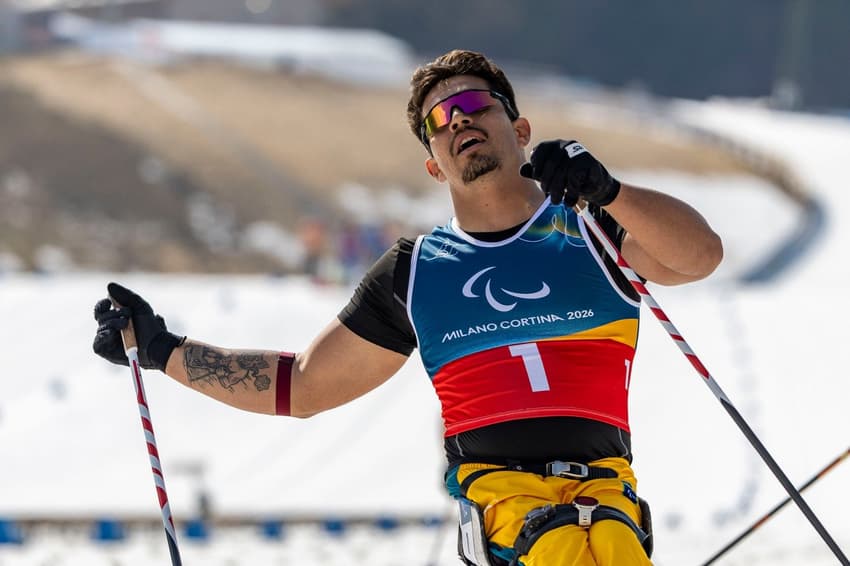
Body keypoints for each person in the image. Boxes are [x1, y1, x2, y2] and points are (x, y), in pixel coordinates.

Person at [93, 49, 723, 565]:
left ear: (520, 129)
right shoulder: (416, 272)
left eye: (475, 105)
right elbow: (303, 385)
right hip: (508, 511)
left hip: (606, 495)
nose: (458, 121)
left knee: (600, 542)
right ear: (432, 163)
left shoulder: (589, 227)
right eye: (439, 119)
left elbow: (698, 257)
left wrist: (608, 190)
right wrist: (160, 350)